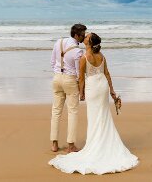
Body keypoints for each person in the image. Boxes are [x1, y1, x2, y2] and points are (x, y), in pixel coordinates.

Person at [48, 33, 139, 174]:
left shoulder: (84, 58)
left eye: (87, 37)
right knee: (103, 115)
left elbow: (81, 78)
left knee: (94, 117)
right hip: (102, 86)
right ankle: (105, 142)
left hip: (92, 88)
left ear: (89, 43)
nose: (84, 38)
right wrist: (112, 91)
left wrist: (81, 92)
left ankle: (96, 144)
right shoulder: (102, 56)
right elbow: (107, 73)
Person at [50, 23, 86, 153]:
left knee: (56, 111)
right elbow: (79, 74)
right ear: (76, 35)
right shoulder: (78, 52)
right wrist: (81, 90)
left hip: (57, 78)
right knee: (72, 112)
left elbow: (52, 62)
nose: (84, 37)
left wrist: (57, 73)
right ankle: (71, 145)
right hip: (70, 80)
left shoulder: (58, 42)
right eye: (82, 35)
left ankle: (54, 144)